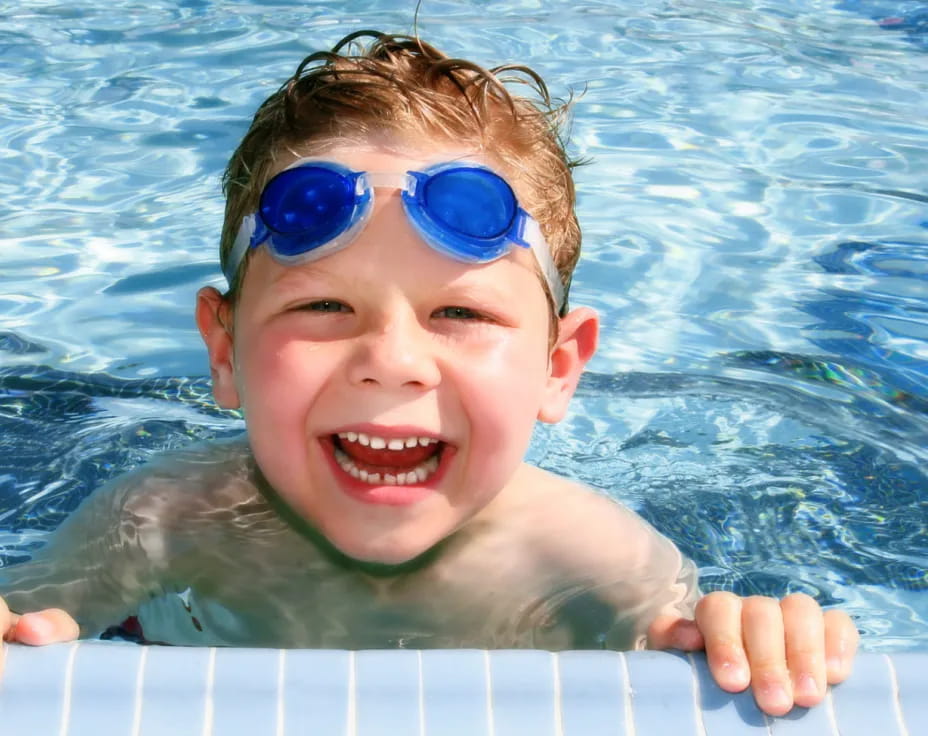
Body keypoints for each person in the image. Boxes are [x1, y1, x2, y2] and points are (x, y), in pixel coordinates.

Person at [0, 31, 857, 715]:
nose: (392, 363)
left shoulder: (591, 561)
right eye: (323, 309)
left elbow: (696, 658)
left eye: (462, 314)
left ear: (558, 369)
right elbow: (26, 630)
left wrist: (752, 636)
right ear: (224, 352)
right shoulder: (162, 518)